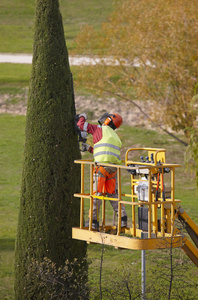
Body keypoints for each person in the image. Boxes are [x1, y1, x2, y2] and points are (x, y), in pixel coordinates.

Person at [77, 112, 127, 230]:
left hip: (101, 168)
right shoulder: (115, 136)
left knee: (97, 194)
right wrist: (89, 148)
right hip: (113, 169)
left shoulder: (99, 129)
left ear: (108, 120)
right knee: (113, 195)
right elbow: (105, 152)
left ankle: (93, 222)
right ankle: (123, 219)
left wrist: (82, 116)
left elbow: (80, 125)